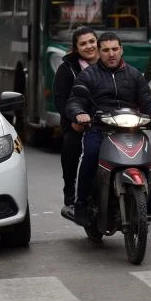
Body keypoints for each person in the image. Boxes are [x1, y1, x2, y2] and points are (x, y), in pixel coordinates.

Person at [65, 32, 151, 254]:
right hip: (100, 129)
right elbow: (75, 101)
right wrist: (79, 114)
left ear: (121, 49)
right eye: (105, 50)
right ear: (100, 52)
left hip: (131, 130)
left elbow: (148, 100)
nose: (111, 54)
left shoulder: (134, 75)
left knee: (149, 172)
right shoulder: (89, 76)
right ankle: (81, 204)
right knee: (90, 154)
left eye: (115, 49)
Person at [53, 26, 98, 208]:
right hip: (75, 122)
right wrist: (75, 118)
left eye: (92, 41)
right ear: (76, 48)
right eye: (83, 43)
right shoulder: (67, 69)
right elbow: (61, 100)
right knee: (71, 145)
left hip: (106, 120)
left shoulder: (109, 62)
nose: (89, 46)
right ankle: (70, 189)